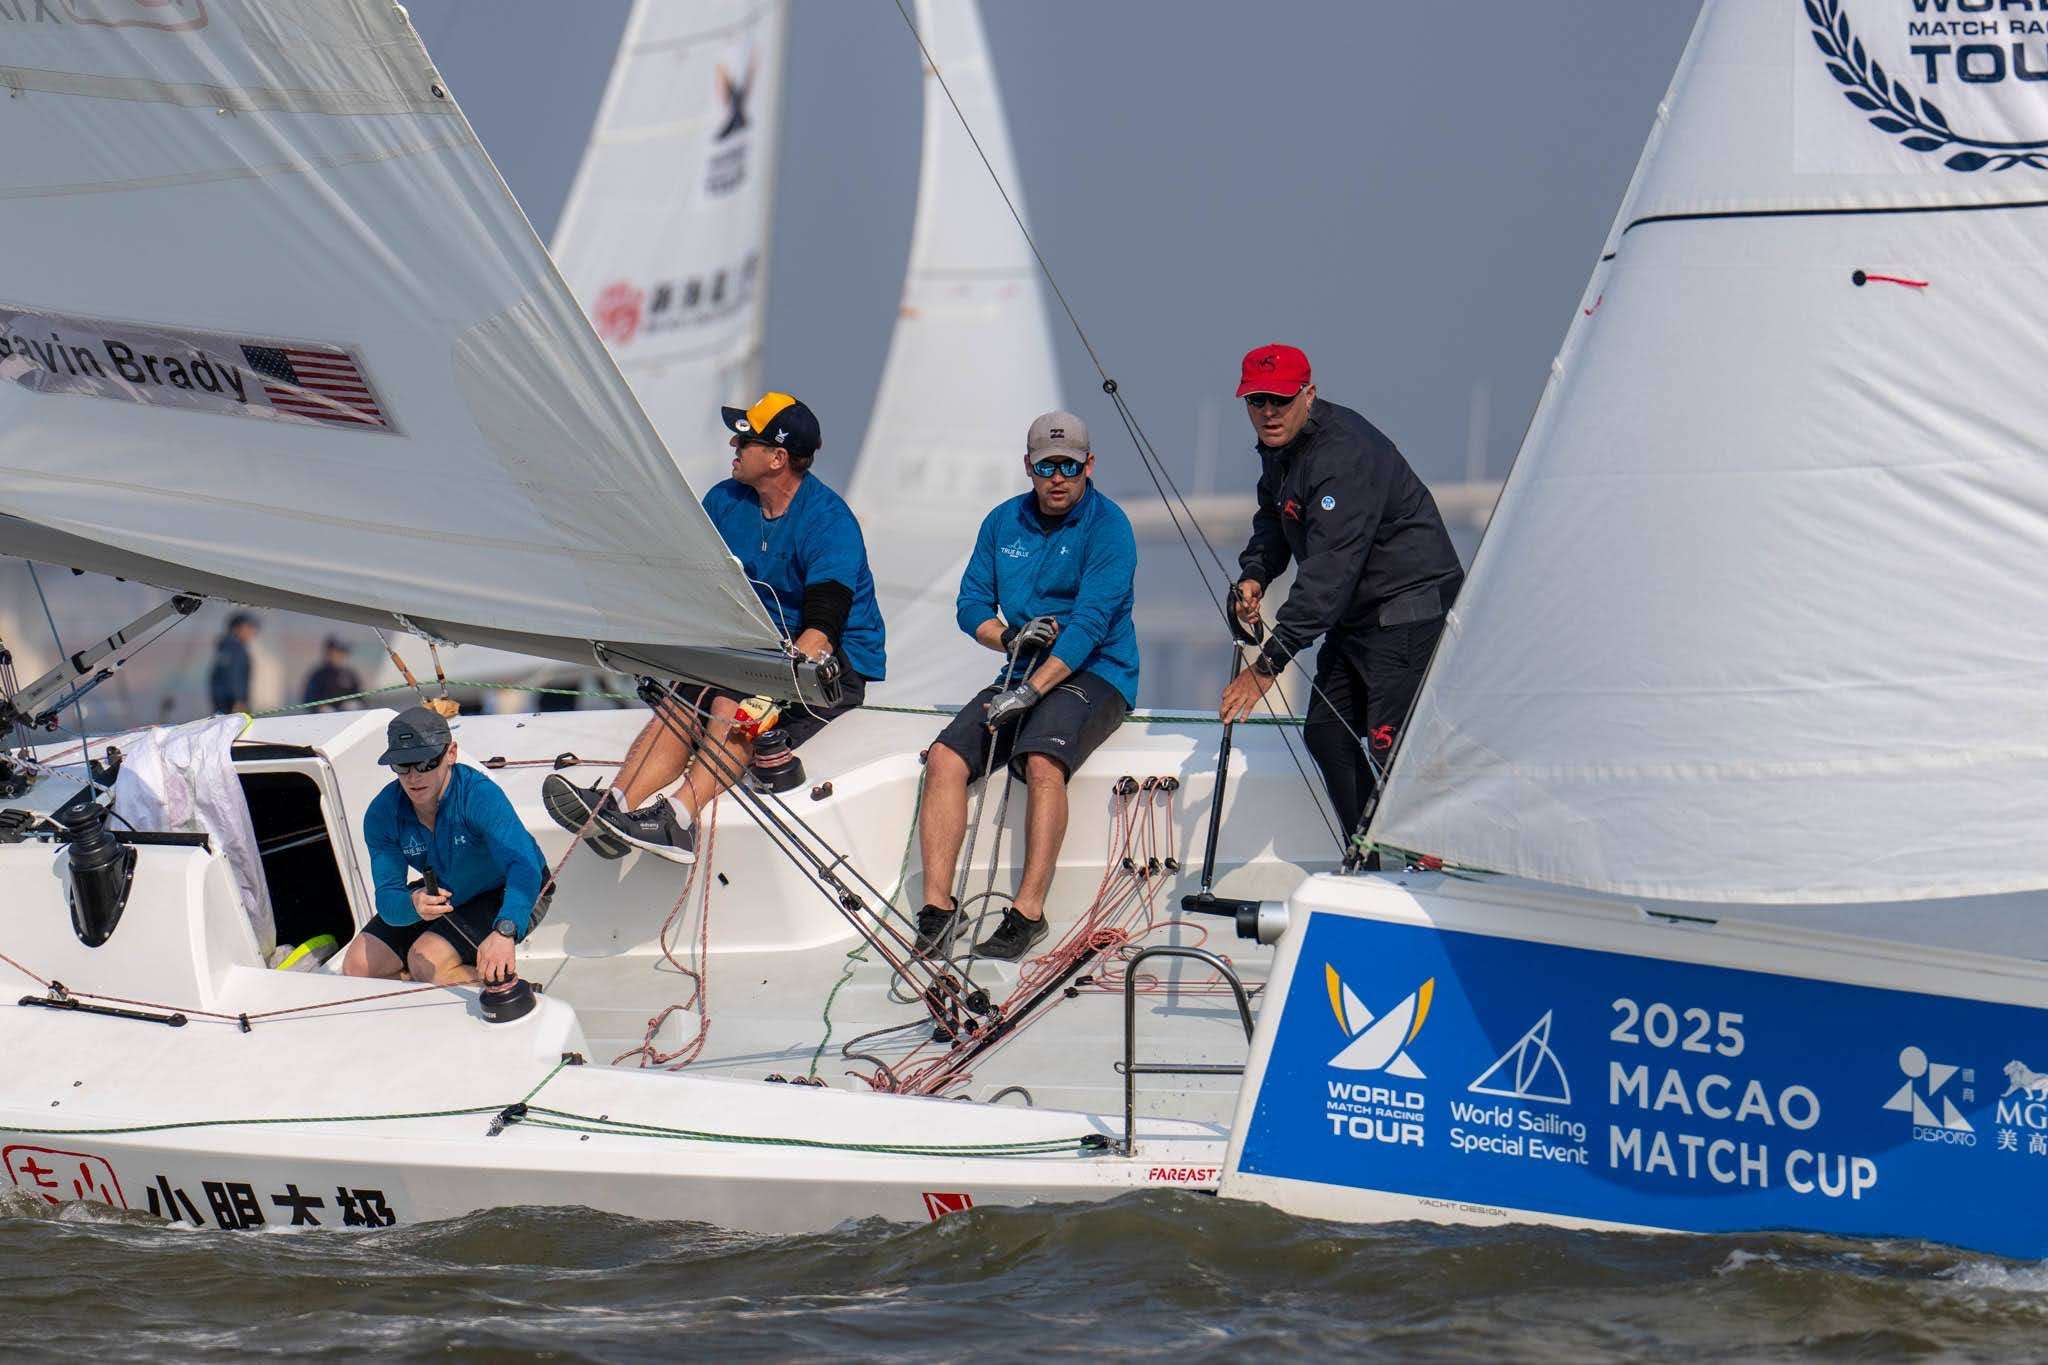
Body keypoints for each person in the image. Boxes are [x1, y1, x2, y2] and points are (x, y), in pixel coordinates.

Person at [545, 392, 886, 863]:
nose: (733, 445)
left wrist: (773, 684)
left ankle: (676, 820)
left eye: (745, 440)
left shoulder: (829, 521)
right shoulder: (726, 501)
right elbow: (691, 588)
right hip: (753, 647)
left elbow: (823, 627)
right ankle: (613, 807)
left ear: (777, 458)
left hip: (829, 665)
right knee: (683, 699)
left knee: (732, 700)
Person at [1218, 343, 1464, 858]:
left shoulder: (1342, 455)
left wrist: (1266, 668)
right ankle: (1368, 860)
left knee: (1388, 741)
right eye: (1257, 400)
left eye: (1281, 400)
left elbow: (1329, 573)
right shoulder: (1280, 450)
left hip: (1408, 609)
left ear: (1309, 394)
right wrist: (1255, 574)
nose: (1268, 412)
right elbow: (1276, 519)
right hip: (1357, 615)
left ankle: (1434, 860)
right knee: (1327, 733)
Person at [911, 411, 1139, 961]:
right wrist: (1009, 637)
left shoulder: (1109, 527)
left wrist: (1031, 692)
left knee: (1042, 761)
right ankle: (939, 909)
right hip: (1018, 670)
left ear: (1089, 465)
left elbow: (1090, 626)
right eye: (1046, 466)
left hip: (1097, 672)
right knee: (944, 758)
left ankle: (1027, 913)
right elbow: (971, 605)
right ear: (1028, 467)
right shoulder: (1002, 521)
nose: (1057, 478)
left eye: (1069, 466)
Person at [344, 706, 547, 985]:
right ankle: (437, 982)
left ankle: (508, 984)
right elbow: (388, 897)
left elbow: (524, 867)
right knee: (357, 967)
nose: (413, 777)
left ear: (451, 753)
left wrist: (505, 930)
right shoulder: (382, 813)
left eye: (425, 763)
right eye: (402, 766)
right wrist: (413, 904)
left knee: (424, 961)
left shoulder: (478, 795)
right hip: (449, 888)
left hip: (511, 887)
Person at [207, 612, 258, 714]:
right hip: (232, 705)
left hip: (222, 703)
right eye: (249, 627)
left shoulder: (225, 647)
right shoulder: (235, 649)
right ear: (237, 629)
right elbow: (233, 675)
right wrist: (238, 700)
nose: (253, 632)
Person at [301, 636, 363, 710]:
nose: (340, 655)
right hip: (324, 715)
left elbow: (360, 697)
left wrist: (354, 703)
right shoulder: (318, 675)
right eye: (337, 652)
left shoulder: (350, 675)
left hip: (348, 714)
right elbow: (308, 700)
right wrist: (320, 708)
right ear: (329, 653)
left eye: (343, 652)